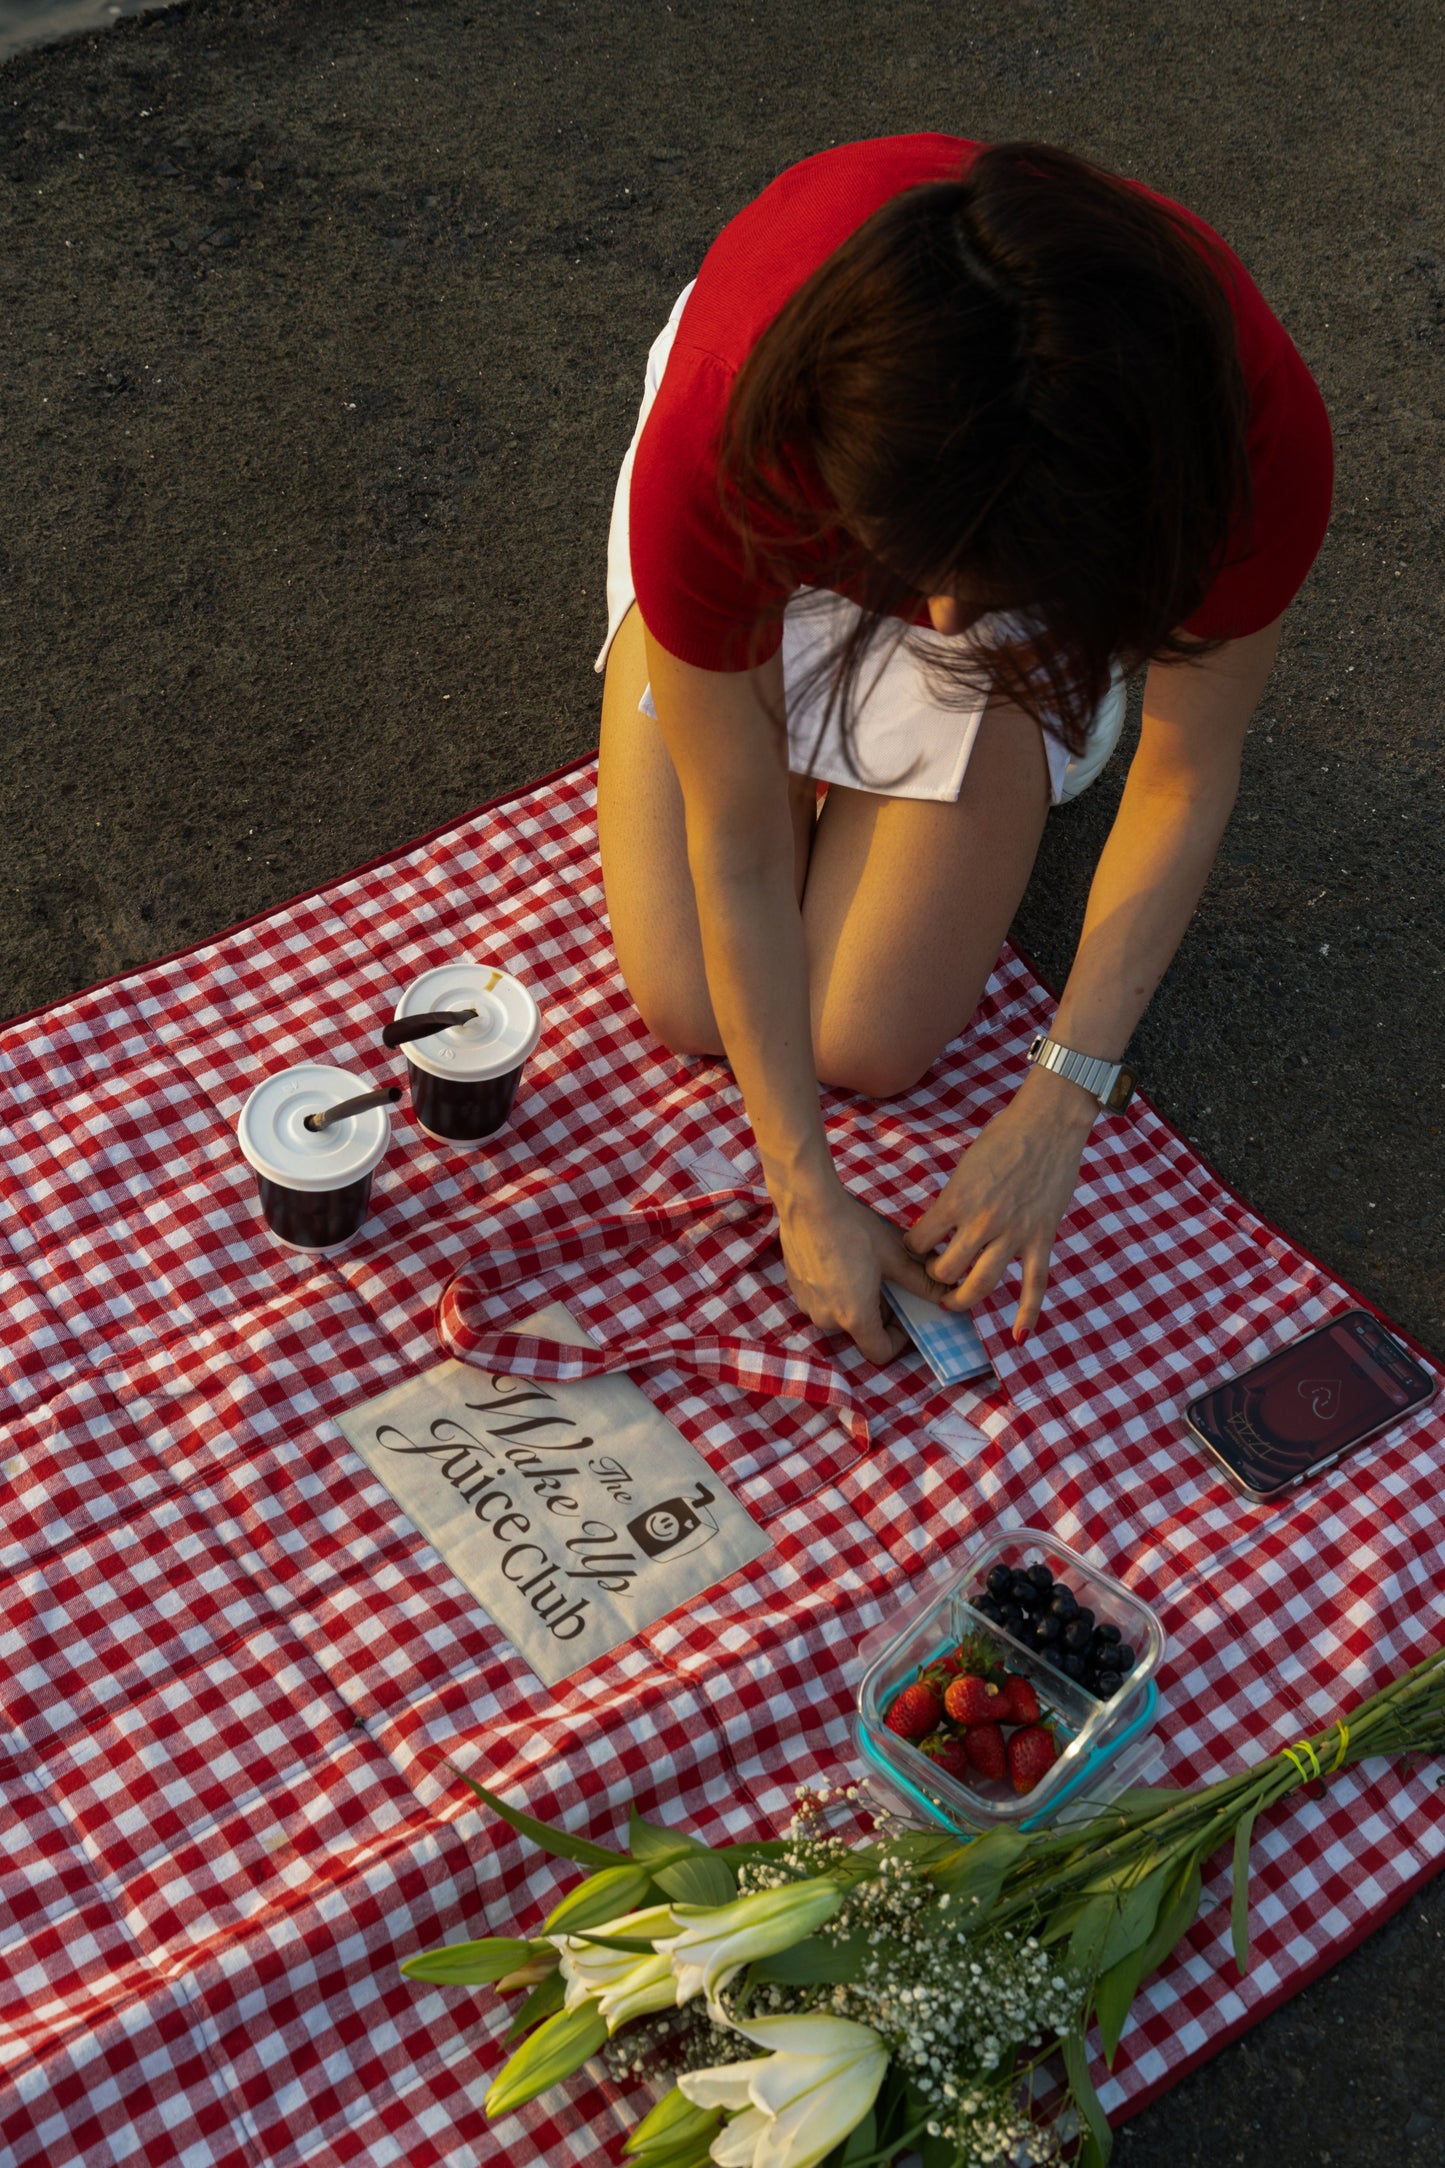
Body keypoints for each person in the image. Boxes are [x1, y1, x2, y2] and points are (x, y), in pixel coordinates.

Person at [594, 135, 1332, 1367]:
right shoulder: (735, 415)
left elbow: (1185, 768)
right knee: (683, 994)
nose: (932, 620)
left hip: (1027, 507)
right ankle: (860, 662)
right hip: (812, 472)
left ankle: (1027, 684)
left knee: (866, 1038)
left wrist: (1060, 1095)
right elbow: (730, 840)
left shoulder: (1251, 443)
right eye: (916, 566)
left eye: (974, 588)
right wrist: (798, 1187)